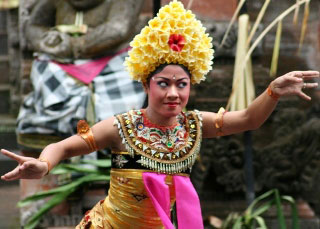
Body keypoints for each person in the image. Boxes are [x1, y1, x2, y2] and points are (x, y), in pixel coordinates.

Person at [1, 1, 319, 228]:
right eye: (163, 84)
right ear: (145, 84)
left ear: (190, 85)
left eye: (181, 85)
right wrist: (43, 163)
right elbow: (65, 146)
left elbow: (248, 119)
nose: (173, 93)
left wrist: (273, 91)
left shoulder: (195, 124)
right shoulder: (121, 126)